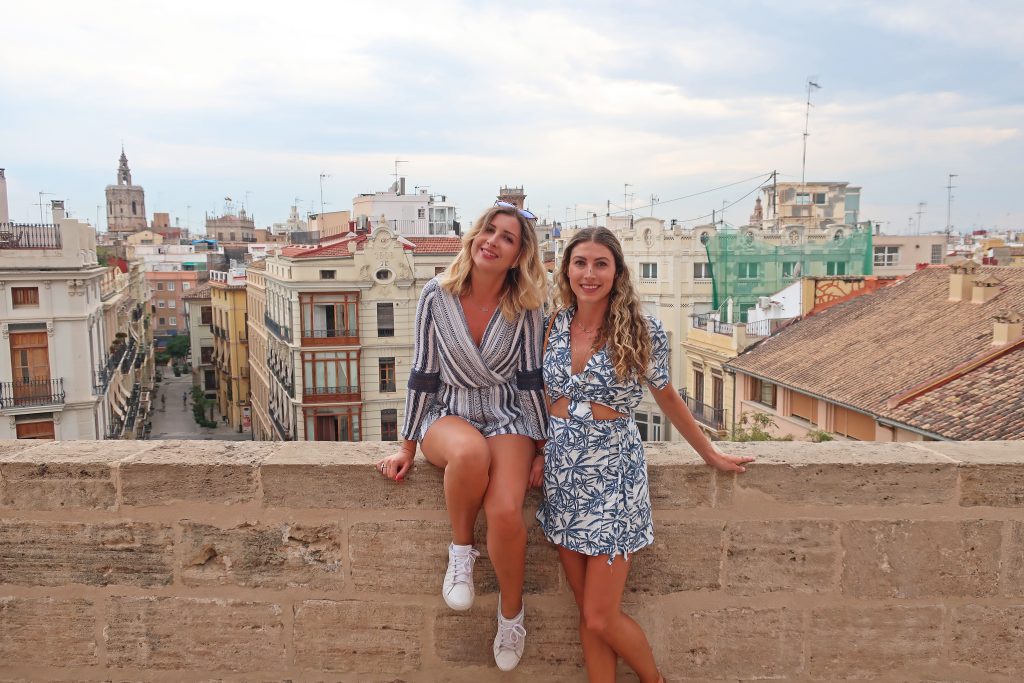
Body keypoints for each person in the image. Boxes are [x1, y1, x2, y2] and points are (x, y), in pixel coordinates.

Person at [533, 227, 754, 683]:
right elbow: (538, 396)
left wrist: (709, 453)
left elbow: (668, 397)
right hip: (561, 473)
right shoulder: (553, 324)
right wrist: (538, 450)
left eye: (600, 264)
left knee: (600, 616)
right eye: (580, 263)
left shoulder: (640, 328)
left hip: (613, 475)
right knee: (585, 610)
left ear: (617, 272)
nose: (589, 274)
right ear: (566, 268)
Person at [376, 202, 549, 671]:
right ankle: (460, 553)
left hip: (506, 414)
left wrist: (542, 448)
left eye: (507, 237)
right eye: (488, 231)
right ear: (474, 237)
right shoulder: (437, 295)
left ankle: (511, 614)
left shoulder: (529, 307)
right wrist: (406, 445)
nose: (492, 241)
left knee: (507, 510)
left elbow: (532, 380)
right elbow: (422, 372)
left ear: (518, 255)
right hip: (446, 411)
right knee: (468, 453)